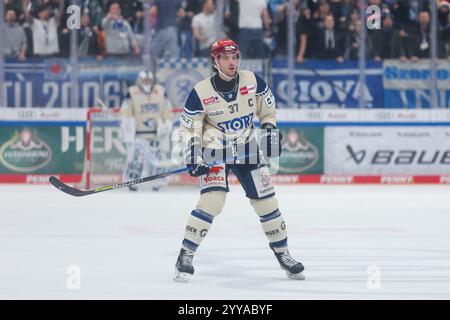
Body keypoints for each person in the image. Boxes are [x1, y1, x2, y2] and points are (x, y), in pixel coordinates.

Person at [174, 38, 305, 282]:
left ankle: (284, 254)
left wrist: (269, 131)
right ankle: (186, 255)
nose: (232, 62)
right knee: (212, 201)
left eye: (235, 56)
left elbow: (267, 110)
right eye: (225, 57)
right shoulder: (200, 92)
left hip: (247, 149)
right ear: (215, 61)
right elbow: (189, 128)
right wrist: (193, 154)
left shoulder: (253, 81)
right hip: (215, 150)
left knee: (267, 203)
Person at [120, 70, 174, 191]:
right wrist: (127, 122)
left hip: (156, 134)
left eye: (149, 80)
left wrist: (167, 122)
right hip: (138, 135)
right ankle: (132, 183)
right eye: (144, 80)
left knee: (157, 159)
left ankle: (157, 184)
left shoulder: (160, 91)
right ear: (139, 80)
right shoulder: (132, 92)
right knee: (135, 159)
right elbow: (126, 109)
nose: (147, 82)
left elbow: (167, 108)